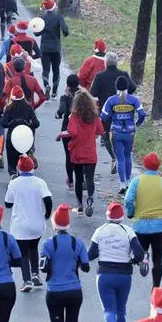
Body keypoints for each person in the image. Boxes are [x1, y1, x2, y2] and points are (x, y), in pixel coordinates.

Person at [88, 202, 146, 322]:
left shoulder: (100, 231)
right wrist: (133, 260)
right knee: (121, 309)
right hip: (124, 275)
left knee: (108, 309)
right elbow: (140, 254)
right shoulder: (128, 230)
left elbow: (91, 255)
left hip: (104, 275)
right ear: (121, 216)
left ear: (108, 215)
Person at [124, 152, 162, 288]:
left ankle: (142, 258)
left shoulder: (136, 181)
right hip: (159, 227)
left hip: (140, 226)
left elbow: (128, 199)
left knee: (141, 250)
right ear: (158, 166)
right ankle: (156, 288)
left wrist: (131, 212)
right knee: (158, 261)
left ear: (145, 165)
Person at [40, 204, 90, 322]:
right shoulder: (78, 243)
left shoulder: (48, 244)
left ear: (54, 224)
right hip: (74, 290)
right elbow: (86, 267)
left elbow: (42, 267)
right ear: (68, 224)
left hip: (54, 291)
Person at [5, 154, 53, 292]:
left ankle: (27, 280)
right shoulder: (39, 182)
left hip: (20, 225)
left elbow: (8, 204)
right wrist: (47, 214)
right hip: (37, 223)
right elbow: (48, 199)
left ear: (19, 169)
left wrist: (11, 188)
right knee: (33, 248)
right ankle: (36, 275)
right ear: (33, 167)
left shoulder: (14, 183)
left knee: (23, 252)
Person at [90, 52, 136, 173]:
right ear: (116, 63)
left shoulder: (99, 76)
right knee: (122, 133)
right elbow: (133, 87)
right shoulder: (123, 74)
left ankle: (114, 157)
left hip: (107, 111)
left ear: (105, 63)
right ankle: (123, 158)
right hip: (124, 110)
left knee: (106, 136)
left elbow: (92, 92)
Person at [61, 89, 104, 217]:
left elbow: (72, 132)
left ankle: (79, 206)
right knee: (90, 178)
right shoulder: (94, 116)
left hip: (77, 152)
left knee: (78, 179)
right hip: (90, 152)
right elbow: (101, 131)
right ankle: (90, 199)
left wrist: (62, 134)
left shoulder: (74, 116)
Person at [101, 76, 147, 193]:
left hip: (116, 133)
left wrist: (112, 115)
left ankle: (122, 185)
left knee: (120, 158)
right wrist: (137, 123)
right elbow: (142, 114)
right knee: (128, 157)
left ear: (116, 87)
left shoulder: (111, 100)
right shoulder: (133, 100)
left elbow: (103, 116)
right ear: (127, 87)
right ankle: (128, 182)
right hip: (130, 132)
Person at [1, 86, 40, 177]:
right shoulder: (28, 107)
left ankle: (13, 174)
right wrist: (26, 124)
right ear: (23, 96)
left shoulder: (8, 108)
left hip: (12, 137)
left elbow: (4, 124)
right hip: (25, 138)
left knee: (11, 161)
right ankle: (24, 172)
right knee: (24, 158)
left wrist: (13, 123)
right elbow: (36, 124)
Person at [36, 0, 70, 98]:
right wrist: (65, 32)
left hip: (44, 48)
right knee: (56, 70)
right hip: (55, 48)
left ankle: (46, 85)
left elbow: (37, 33)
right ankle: (54, 92)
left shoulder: (42, 18)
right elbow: (65, 31)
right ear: (54, 7)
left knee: (45, 70)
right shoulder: (58, 17)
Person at [56, 74, 82, 189]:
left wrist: (58, 114)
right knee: (80, 154)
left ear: (67, 84)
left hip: (67, 128)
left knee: (68, 155)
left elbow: (60, 111)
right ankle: (81, 178)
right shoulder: (83, 96)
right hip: (81, 128)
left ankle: (70, 180)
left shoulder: (65, 97)